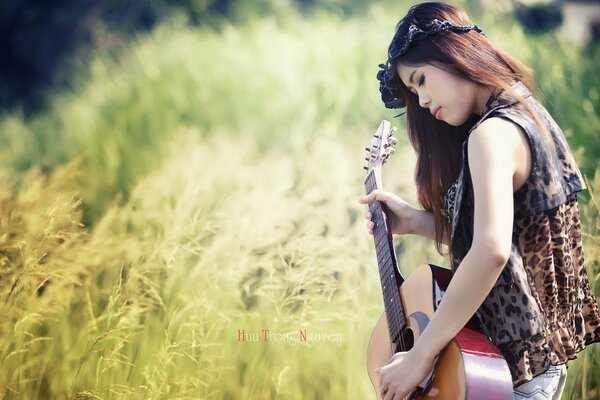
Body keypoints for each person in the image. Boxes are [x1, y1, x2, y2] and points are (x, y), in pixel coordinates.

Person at [358, 2, 600, 399]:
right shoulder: (524, 111)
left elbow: (490, 251)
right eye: (412, 91)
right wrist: (416, 220)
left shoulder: (490, 135)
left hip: (510, 374)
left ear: (453, 54)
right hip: (531, 365)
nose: (419, 100)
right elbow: (516, 237)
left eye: (420, 80)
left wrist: (421, 354)